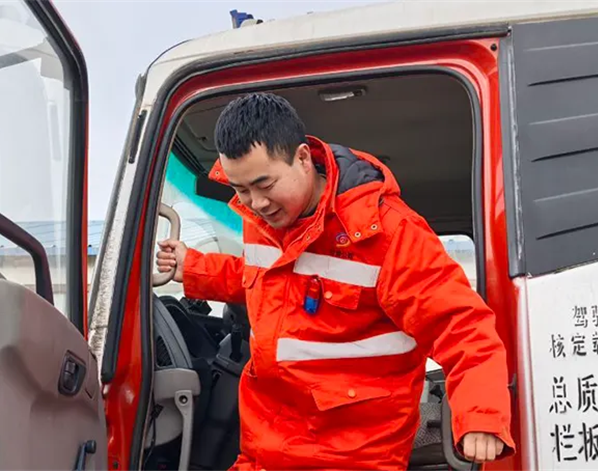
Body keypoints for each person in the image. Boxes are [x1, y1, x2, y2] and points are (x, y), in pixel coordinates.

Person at [156, 92, 515, 470]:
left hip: (350, 457)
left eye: (265, 184)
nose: (256, 203)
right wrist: (193, 268)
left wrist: (481, 416)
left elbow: (460, 325)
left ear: (302, 158)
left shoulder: (388, 233)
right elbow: (261, 279)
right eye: (241, 190)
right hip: (264, 450)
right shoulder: (265, 220)